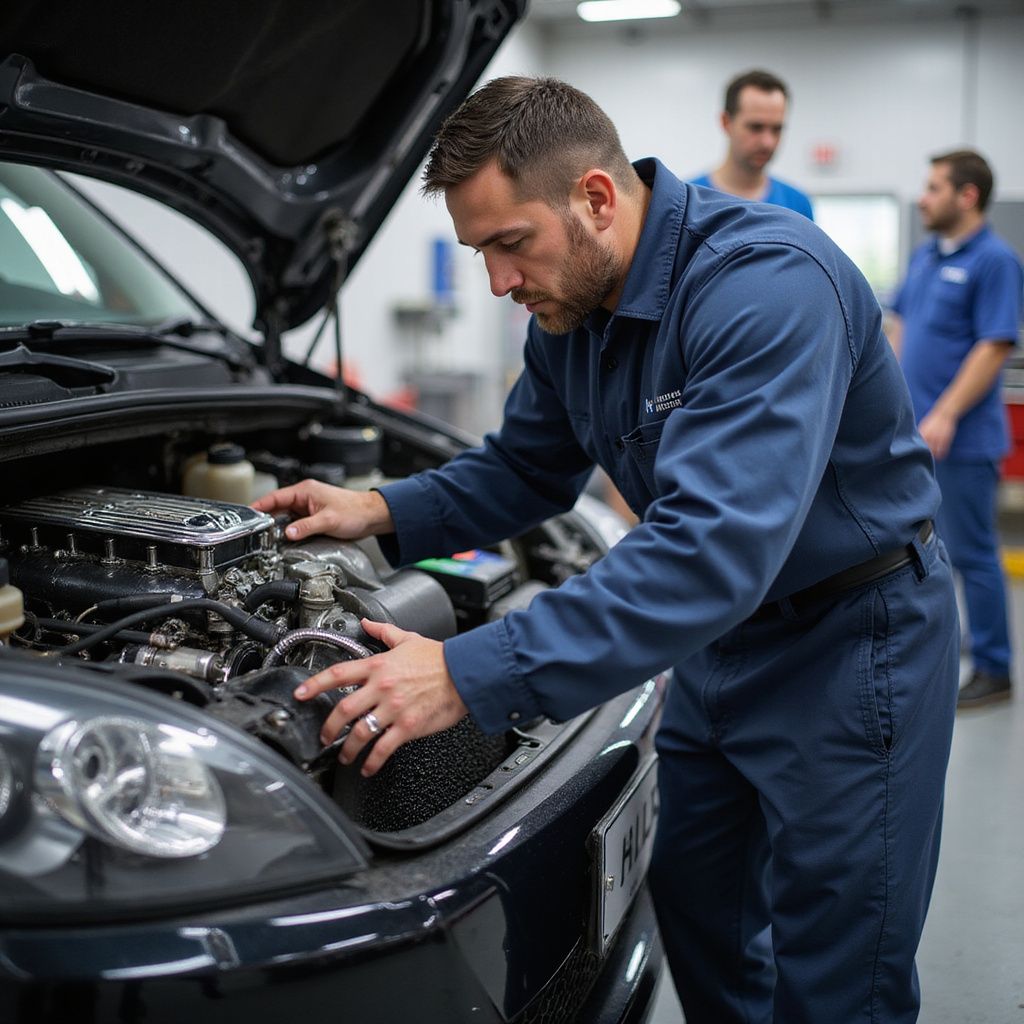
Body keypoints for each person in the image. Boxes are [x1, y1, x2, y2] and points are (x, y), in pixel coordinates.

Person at [254, 77, 959, 1023]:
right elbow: (521, 472)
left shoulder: (766, 286)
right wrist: (375, 508)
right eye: (479, 254)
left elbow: (709, 549)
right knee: (702, 913)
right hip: (719, 648)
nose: (499, 282)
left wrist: (467, 672)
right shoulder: (569, 314)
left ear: (594, 197)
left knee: (837, 970)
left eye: (511, 244)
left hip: (849, 642)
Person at [889, 150, 1023, 708]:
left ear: (966, 196)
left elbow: (993, 346)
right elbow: (896, 327)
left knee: (974, 553)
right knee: (925, 549)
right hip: (916, 435)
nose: (924, 197)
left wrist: (944, 412)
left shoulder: (994, 261)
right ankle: (958, 646)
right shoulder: (924, 256)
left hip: (962, 440)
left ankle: (994, 668)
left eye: (934, 187)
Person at [691, 68, 813, 220]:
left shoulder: (797, 204)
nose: (767, 142)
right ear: (726, 122)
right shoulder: (690, 202)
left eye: (777, 129)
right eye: (756, 127)